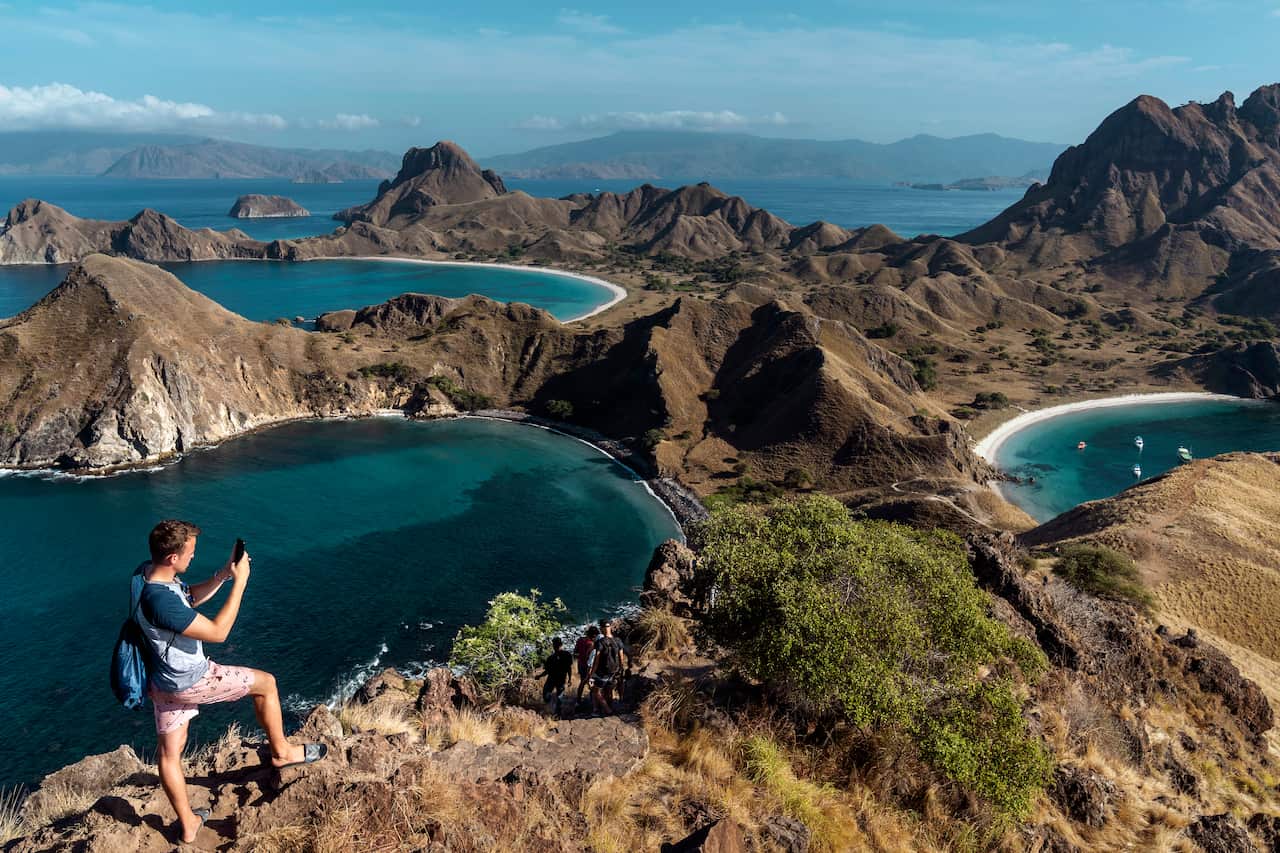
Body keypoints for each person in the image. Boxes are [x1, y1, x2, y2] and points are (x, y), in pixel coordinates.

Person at [134, 520, 326, 844]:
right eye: (190, 553)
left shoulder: (145, 576)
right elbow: (219, 632)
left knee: (169, 753)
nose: (192, 558)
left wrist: (223, 574)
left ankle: (189, 825)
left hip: (162, 682)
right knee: (266, 684)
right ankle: (281, 752)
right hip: (190, 680)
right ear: (172, 558)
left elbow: (187, 599)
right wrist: (240, 583)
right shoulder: (160, 601)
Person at [587, 618, 629, 716]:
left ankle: (608, 710)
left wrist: (591, 675)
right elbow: (621, 658)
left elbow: (596, 661)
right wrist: (621, 670)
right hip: (614, 670)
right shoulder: (618, 641)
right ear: (610, 627)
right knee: (609, 691)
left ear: (601, 628)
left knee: (596, 691)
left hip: (602, 672)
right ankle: (610, 707)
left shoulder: (600, 642)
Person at [534, 637, 574, 717]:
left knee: (554, 695)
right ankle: (555, 711)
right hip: (556, 679)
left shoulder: (559, 656)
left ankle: (556, 712)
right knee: (554, 696)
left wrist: (570, 679)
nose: (556, 646)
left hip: (556, 679)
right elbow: (568, 668)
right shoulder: (558, 656)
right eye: (555, 645)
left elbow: (568, 668)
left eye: (556, 645)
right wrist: (540, 676)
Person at [573, 626, 599, 708]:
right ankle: (593, 701)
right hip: (588, 665)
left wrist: (581, 656)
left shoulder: (580, 640)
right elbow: (591, 657)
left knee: (582, 682)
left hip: (580, 664)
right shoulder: (592, 644)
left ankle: (578, 700)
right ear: (594, 635)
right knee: (591, 682)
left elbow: (575, 652)